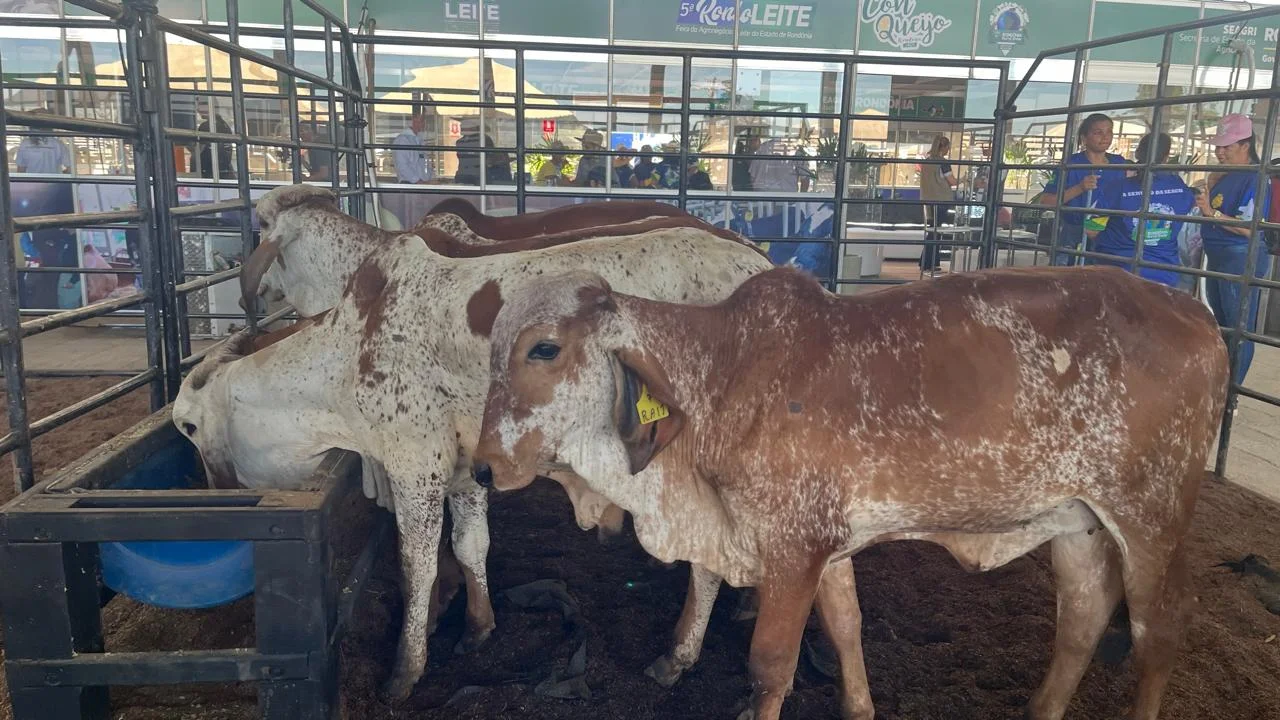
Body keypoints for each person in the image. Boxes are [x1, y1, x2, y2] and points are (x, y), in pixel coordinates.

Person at [1193, 113, 1272, 386]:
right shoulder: (1229, 175)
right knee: (1224, 324)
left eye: (1226, 147)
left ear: (1245, 146)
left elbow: (1250, 227)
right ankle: (1224, 382)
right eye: (1218, 146)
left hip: (1239, 256)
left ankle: (1232, 390)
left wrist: (1210, 213)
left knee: (1238, 328)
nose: (1220, 152)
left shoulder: (1255, 178)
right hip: (1220, 255)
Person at [1087, 132, 1195, 289]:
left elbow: (1091, 230)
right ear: (1165, 157)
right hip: (1165, 274)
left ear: (1138, 153)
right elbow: (1188, 209)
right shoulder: (1179, 187)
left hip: (1117, 272)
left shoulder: (1117, 188)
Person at [1037, 113, 1129, 266]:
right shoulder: (1070, 164)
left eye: (1109, 132)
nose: (1105, 137)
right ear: (1084, 138)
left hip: (1111, 233)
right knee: (1068, 277)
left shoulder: (1120, 163)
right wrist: (1080, 188)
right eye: (1098, 132)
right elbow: (1046, 202)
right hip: (1074, 231)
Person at [919, 134, 958, 274]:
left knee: (932, 230)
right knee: (937, 232)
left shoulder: (927, 161)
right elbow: (952, 181)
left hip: (927, 200)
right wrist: (966, 180)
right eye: (948, 147)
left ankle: (927, 261)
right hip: (941, 200)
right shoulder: (943, 162)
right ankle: (929, 262)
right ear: (945, 147)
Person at [14, 110, 72, 174]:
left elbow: (21, 170)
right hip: (54, 182)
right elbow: (70, 169)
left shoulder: (25, 144)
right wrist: (61, 176)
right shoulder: (58, 144)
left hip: (31, 182)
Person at [192, 100, 235, 179]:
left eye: (201, 104)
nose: (197, 109)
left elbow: (198, 151)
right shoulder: (224, 124)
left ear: (211, 106)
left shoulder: (206, 126)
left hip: (209, 174)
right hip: (222, 173)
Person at [392, 113, 431, 184]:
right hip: (409, 184)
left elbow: (425, 163)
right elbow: (402, 166)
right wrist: (417, 181)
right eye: (422, 120)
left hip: (423, 184)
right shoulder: (402, 140)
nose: (424, 124)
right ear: (414, 120)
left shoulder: (420, 140)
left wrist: (430, 178)